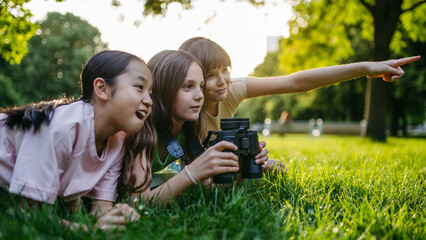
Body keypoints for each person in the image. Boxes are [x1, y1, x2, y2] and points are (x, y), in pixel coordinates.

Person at [178, 37, 421, 171]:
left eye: (226, 70)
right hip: (192, 171)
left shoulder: (232, 89)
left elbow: (297, 82)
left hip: (217, 169)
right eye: (211, 75)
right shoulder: (178, 104)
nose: (222, 81)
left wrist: (367, 68)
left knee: (274, 169)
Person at [0, 50, 153, 230]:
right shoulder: (62, 127)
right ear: (102, 89)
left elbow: (101, 210)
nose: (149, 101)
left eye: (151, 92)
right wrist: (86, 230)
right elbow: (29, 215)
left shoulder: (118, 142)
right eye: (139, 87)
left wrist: (117, 217)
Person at [120, 50, 269, 205]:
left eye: (201, 86)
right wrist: (191, 173)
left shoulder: (187, 130)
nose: (200, 96)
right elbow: (136, 202)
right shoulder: (142, 129)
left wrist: (241, 167)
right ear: (163, 89)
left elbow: (209, 189)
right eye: (188, 86)